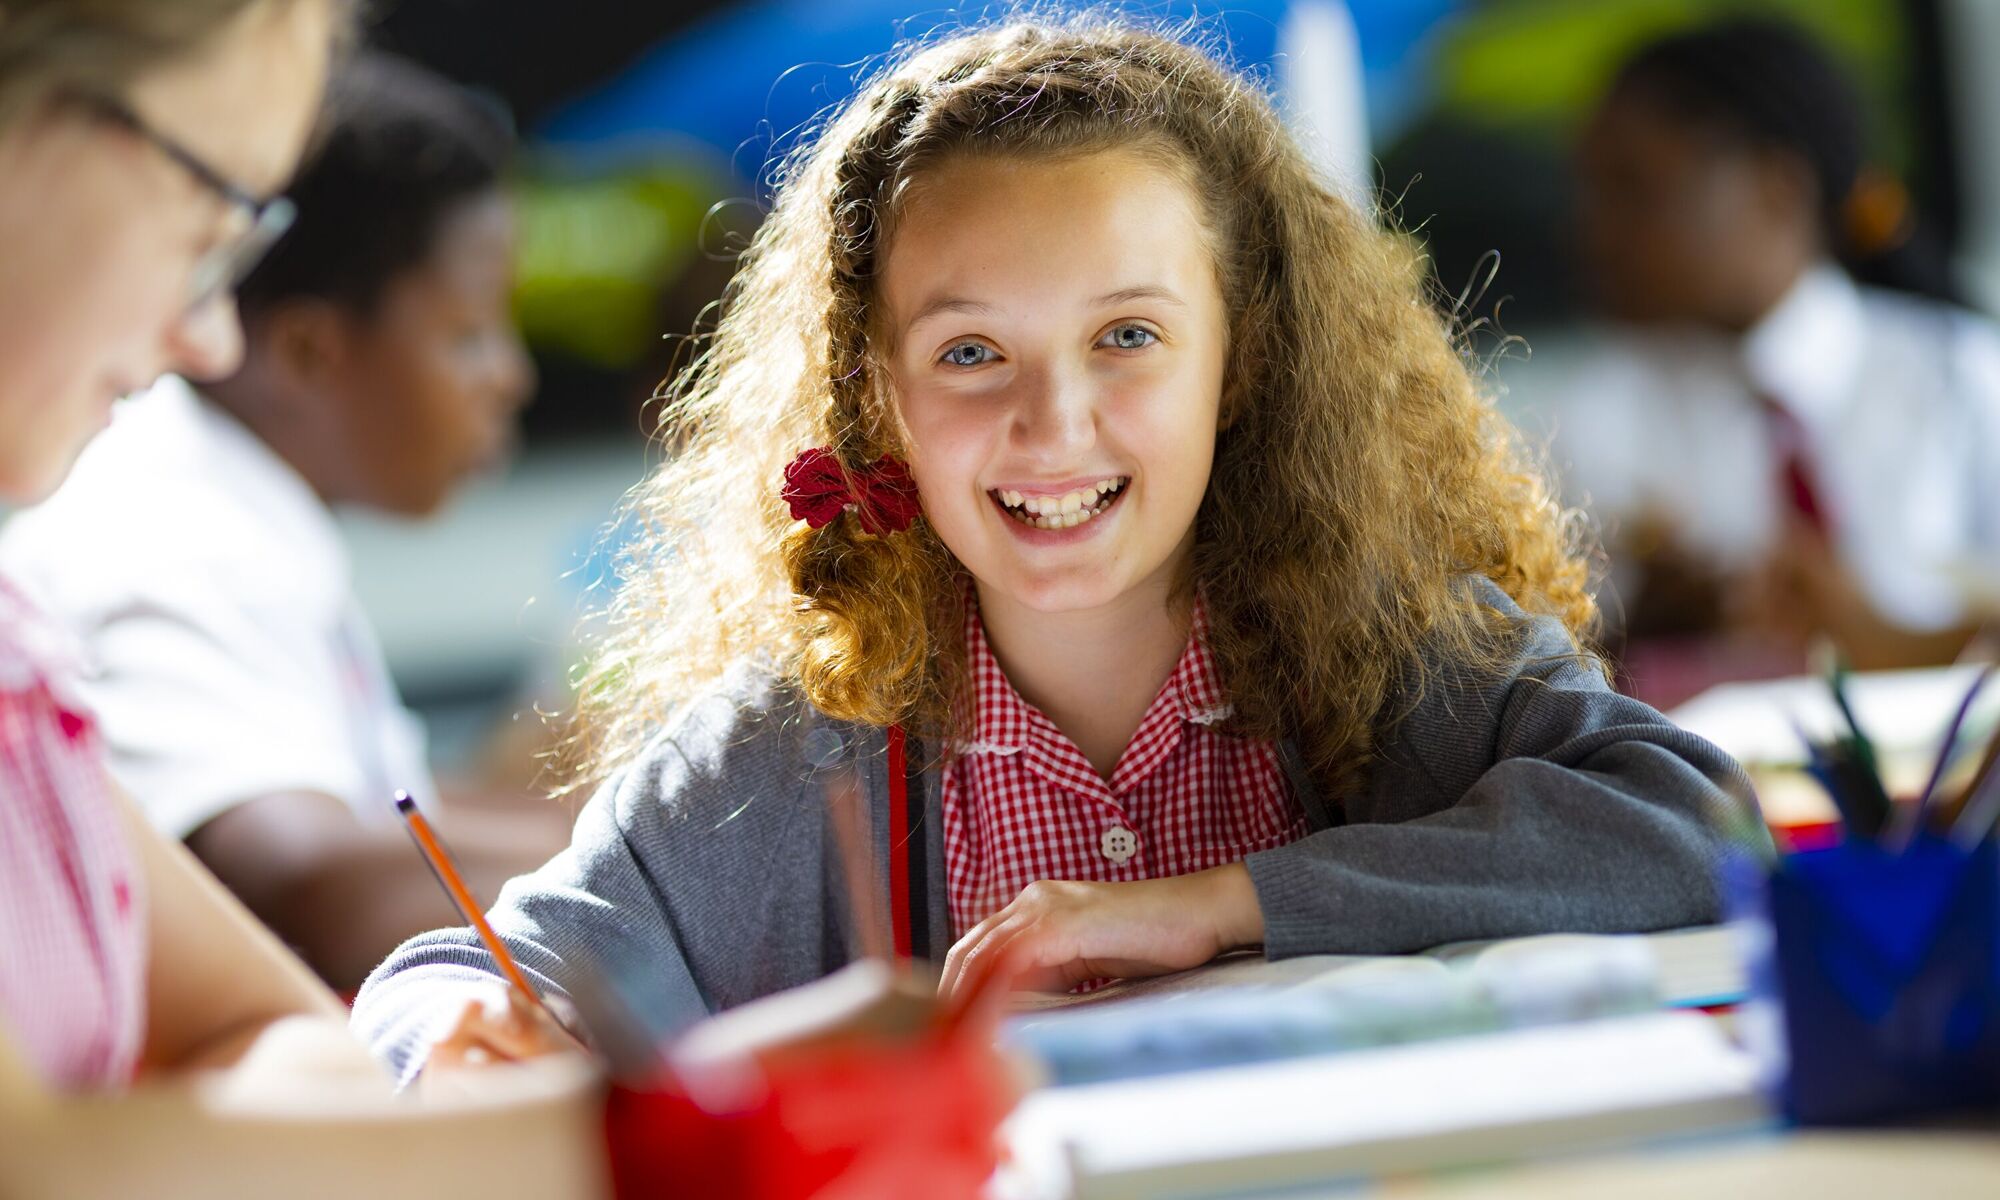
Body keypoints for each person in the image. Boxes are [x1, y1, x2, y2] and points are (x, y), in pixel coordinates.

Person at [353, 15, 1752, 1081]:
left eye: (1127, 337)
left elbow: (1699, 827)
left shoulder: (1397, 655)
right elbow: (437, 984)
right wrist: (464, 1031)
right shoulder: (777, 766)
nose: (1052, 422)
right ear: (876, 400)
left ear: (1243, 363)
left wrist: (1221, 908)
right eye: (971, 353)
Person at [0, 48, 567, 992]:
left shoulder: (248, 512)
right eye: (469, 332)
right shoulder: (166, 517)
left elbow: (380, 815)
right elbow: (301, 883)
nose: (511, 376)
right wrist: (654, 871)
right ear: (308, 351)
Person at [1549, 18, 2000, 696]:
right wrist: (1637, 627)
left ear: (1776, 192)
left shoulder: (1956, 376)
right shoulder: (1588, 421)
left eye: (1634, 192)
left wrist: (1883, 637)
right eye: (1591, 192)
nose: (1595, 232)